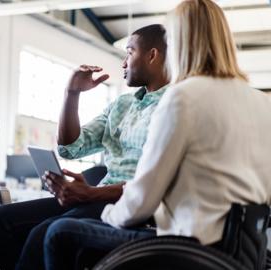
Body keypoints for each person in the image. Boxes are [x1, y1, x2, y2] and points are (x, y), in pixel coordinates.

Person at [42, 0, 271, 269]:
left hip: (189, 245)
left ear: (179, 43)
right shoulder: (262, 101)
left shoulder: (184, 96)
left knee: (59, 232)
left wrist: (105, 215)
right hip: (244, 250)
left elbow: (143, 199)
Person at [0, 24, 169, 270]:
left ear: (152, 55)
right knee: (0, 220)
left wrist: (90, 193)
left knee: (42, 234)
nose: (123, 63)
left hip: (131, 205)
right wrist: (72, 94)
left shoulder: (173, 106)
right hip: (99, 196)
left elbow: (158, 185)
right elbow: (71, 148)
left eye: (129, 52)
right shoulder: (122, 105)